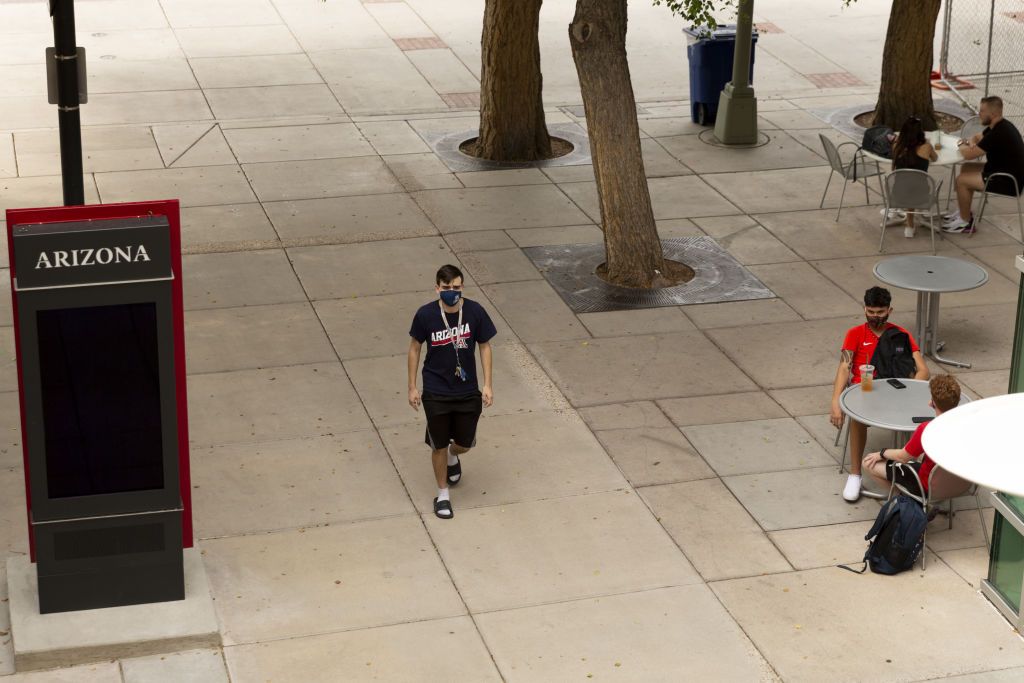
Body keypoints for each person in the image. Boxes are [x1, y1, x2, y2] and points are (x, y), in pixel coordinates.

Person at [408, 264, 496, 520]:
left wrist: (488, 384)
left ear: (462, 287)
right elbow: (415, 348)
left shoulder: (475, 311)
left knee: (465, 444)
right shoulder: (426, 315)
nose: (451, 292)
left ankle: (452, 455)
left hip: (467, 389)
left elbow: (485, 346)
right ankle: (443, 494)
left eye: (456, 287)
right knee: (437, 443)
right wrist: (412, 386)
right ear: (437, 288)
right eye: (446, 288)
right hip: (435, 389)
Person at [830, 286, 929, 502]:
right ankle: (855, 473)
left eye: (881, 312)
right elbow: (844, 367)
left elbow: (923, 370)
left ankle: (911, 472)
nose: (875, 316)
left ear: (889, 310)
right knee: (857, 418)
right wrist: (835, 401)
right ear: (864, 309)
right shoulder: (854, 334)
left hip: (895, 393)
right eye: (871, 312)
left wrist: (908, 391)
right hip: (862, 392)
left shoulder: (901, 335)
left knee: (923, 418)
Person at [862, 375, 970, 500]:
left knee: (867, 463)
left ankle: (906, 500)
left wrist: (882, 453)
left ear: (932, 403)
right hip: (960, 484)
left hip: (929, 487)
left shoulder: (927, 429)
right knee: (921, 455)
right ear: (959, 399)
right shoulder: (967, 423)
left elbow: (902, 457)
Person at [943, 95, 1024, 234]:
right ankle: (964, 212)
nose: (978, 113)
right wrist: (972, 143)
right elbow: (975, 137)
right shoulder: (997, 126)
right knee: (966, 168)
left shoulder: (998, 133)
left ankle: (965, 223)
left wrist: (961, 143)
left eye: (982, 111)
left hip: (1008, 181)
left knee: (961, 181)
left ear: (992, 114)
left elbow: (967, 155)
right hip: (1001, 170)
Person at [890, 116, 938, 238]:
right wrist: (928, 144)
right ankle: (911, 222)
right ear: (920, 132)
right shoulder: (926, 147)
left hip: (898, 195)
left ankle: (909, 225)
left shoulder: (897, 146)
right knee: (914, 184)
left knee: (907, 183)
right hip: (922, 196)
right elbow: (935, 158)